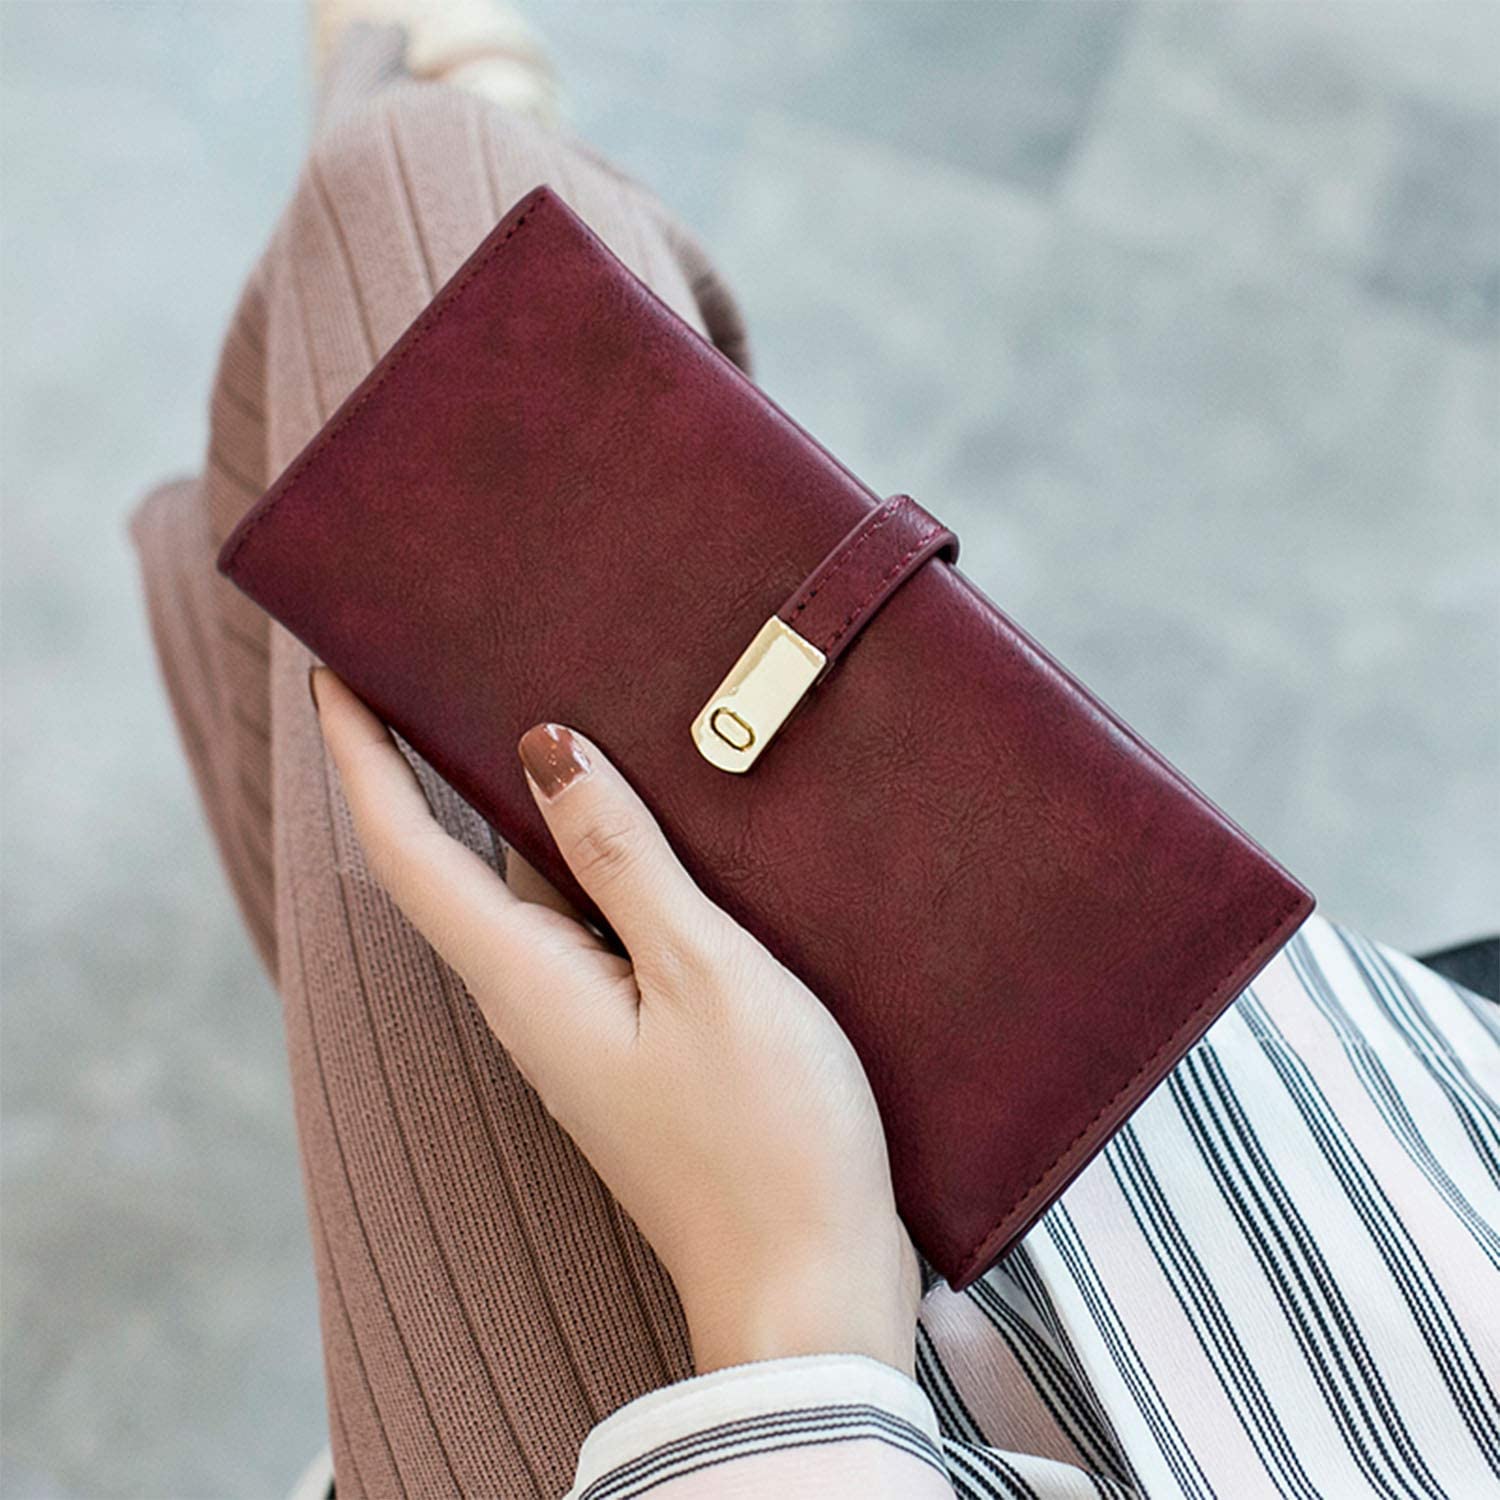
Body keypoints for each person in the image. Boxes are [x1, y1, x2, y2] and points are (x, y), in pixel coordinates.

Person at [130, 7, 1500, 1496]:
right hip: (1346, 1200)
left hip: (812, 1400)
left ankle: (450, 95)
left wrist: (790, 1300)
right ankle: (460, 115)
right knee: (367, 441)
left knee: (406, 197)